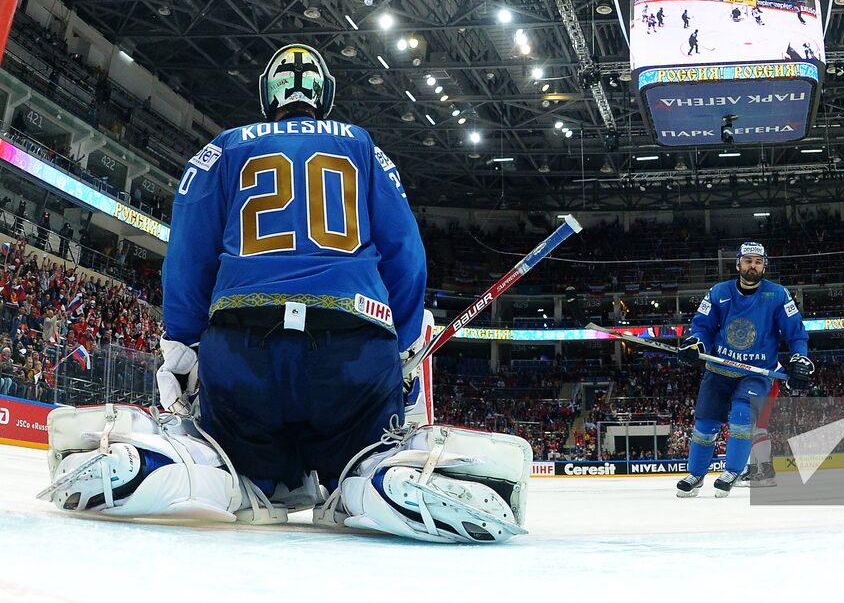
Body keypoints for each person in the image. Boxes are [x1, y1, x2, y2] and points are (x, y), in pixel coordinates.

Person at [42, 44, 531, 544]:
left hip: (242, 348)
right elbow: (408, 255)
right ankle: (379, 481)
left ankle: (170, 464)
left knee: (234, 460)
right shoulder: (363, 146)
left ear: (266, 96)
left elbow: (187, 254)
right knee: (359, 460)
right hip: (351, 346)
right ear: (325, 95)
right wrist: (404, 342)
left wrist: (184, 345)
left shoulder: (224, 147)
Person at [675, 242, 811, 498]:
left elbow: (796, 334)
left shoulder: (778, 295)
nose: (753, 265)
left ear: (764, 265)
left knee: (740, 416)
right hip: (719, 369)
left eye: (758, 261)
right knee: (705, 424)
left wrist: (799, 360)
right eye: (748, 261)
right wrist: (695, 343)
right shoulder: (718, 292)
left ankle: (732, 471)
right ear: (738, 264)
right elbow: (702, 326)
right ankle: (695, 474)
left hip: (757, 373)